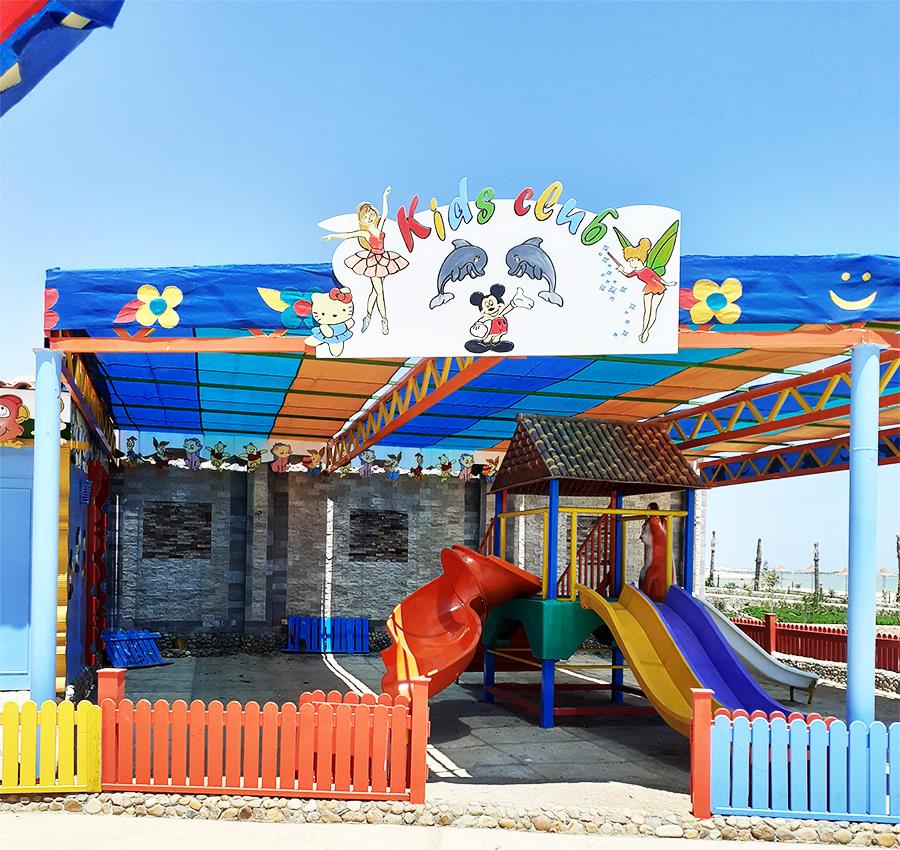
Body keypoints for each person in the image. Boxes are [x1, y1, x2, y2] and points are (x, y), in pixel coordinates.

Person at [321, 186, 408, 335]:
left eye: (371, 215)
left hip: (384, 260)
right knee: (380, 292)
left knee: (375, 291)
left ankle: (367, 317)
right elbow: (348, 235)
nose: (369, 218)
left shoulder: (379, 227)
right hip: (373, 262)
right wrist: (332, 236)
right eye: (366, 217)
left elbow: (385, 214)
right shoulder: (365, 233)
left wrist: (384, 197)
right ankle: (384, 320)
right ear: (362, 220)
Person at [616, 238, 676, 343]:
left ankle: (647, 330)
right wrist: (621, 271)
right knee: (647, 310)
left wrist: (668, 283)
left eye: (632, 260)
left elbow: (658, 279)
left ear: (639, 259)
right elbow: (628, 275)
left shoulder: (648, 270)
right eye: (629, 261)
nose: (630, 263)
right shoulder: (636, 271)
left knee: (653, 310)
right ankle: (644, 330)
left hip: (658, 288)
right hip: (649, 289)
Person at [638, 501, 668, 602]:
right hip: (656, 556)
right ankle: (644, 596)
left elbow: (654, 525)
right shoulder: (663, 522)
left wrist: (650, 518)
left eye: (648, 510)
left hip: (657, 559)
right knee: (644, 573)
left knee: (647, 574)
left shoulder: (655, 522)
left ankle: (645, 598)